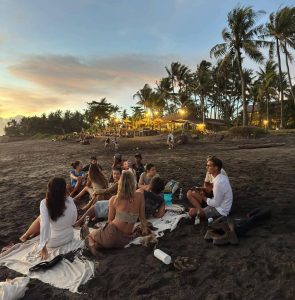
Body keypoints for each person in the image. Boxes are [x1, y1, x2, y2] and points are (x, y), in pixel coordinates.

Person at [83, 171, 149, 254]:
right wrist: (145, 228)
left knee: (90, 236)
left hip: (111, 235)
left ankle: (93, 245)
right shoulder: (140, 196)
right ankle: (98, 245)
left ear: (120, 184)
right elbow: (143, 218)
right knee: (104, 238)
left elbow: (110, 222)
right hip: (125, 240)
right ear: (133, 183)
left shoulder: (114, 199)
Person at [20, 177, 77, 260]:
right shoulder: (70, 200)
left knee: (41, 218)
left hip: (53, 242)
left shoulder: (44, 203)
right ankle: (27, 235)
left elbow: (44, 225)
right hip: (69, 237)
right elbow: (73, 221)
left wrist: (43, 247)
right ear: (64, 189)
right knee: (44, 219)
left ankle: (25, 235)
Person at [75, 175, 166, 227]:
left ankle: (79, 222)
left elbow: (128, 198)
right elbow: (159, 215)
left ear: (150, 185)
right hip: (136, 218)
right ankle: (95, 217)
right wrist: (152, 211)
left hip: (124, 213)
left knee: (97, 206)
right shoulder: (161, 201)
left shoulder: (142, 192)